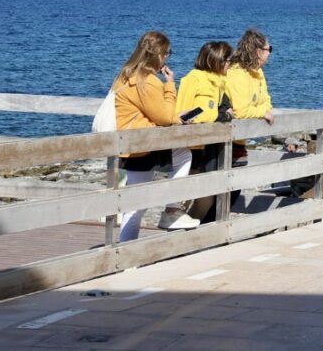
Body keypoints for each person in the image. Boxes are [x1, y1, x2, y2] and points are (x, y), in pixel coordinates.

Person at [112, 31, 198, 241]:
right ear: (159, 55)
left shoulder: (125, 75)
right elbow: (166, 117)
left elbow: (153, 112)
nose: (167, 57)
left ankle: (169, 211)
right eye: (167, 53)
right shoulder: (146, 81)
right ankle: (171, 211)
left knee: (136, 204)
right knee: (136, 205)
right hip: (141, 145)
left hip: (131, 142)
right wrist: (169, 84)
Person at [177, 41, 234, 224]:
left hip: (210, 147)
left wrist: (222, 113)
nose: (231, 64)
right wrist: (219, 115)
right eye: (228, 60)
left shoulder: (222, 82)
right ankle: (175, 234)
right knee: (185, 197)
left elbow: (228, 109)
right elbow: (183, 111)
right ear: (217, 60)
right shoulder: (194, 78)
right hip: (191, 147)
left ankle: (187, 236)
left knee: (207, 196)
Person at [224, 29, 274, 212]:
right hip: (225, 142)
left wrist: (262, 110)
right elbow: (240, 110)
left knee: (233, 192)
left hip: (239, 141)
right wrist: (261, 111)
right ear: (258, 51)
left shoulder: (257, 73)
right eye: (269, 49)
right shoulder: (237, 73)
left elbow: (267, 101)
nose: (270, 53)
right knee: (219, 195)